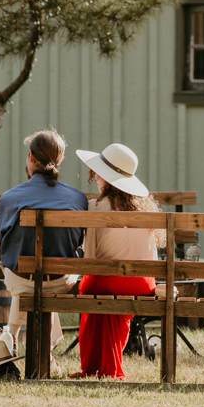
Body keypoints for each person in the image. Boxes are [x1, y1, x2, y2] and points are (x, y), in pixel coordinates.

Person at [0, 128, 84, 377]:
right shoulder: (77, 199)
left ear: (31, 156)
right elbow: (77, 242)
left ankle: (9, 337)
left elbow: (6, 246)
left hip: (20, 279)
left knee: (27, 278)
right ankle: (44, 349)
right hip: (59, 281)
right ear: (61, 159)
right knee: (46, 277)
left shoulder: (9, 199)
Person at [70, 140, 161, 380]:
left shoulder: (96, 207)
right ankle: (108, 367)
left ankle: (94, 367)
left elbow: (90, 258)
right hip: (141, 283)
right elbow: (151, 256)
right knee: (106, 288)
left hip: (105, 281)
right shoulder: (146, 210)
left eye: (98, 174)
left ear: (105, 178)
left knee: (91, 284)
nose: (96, 178)